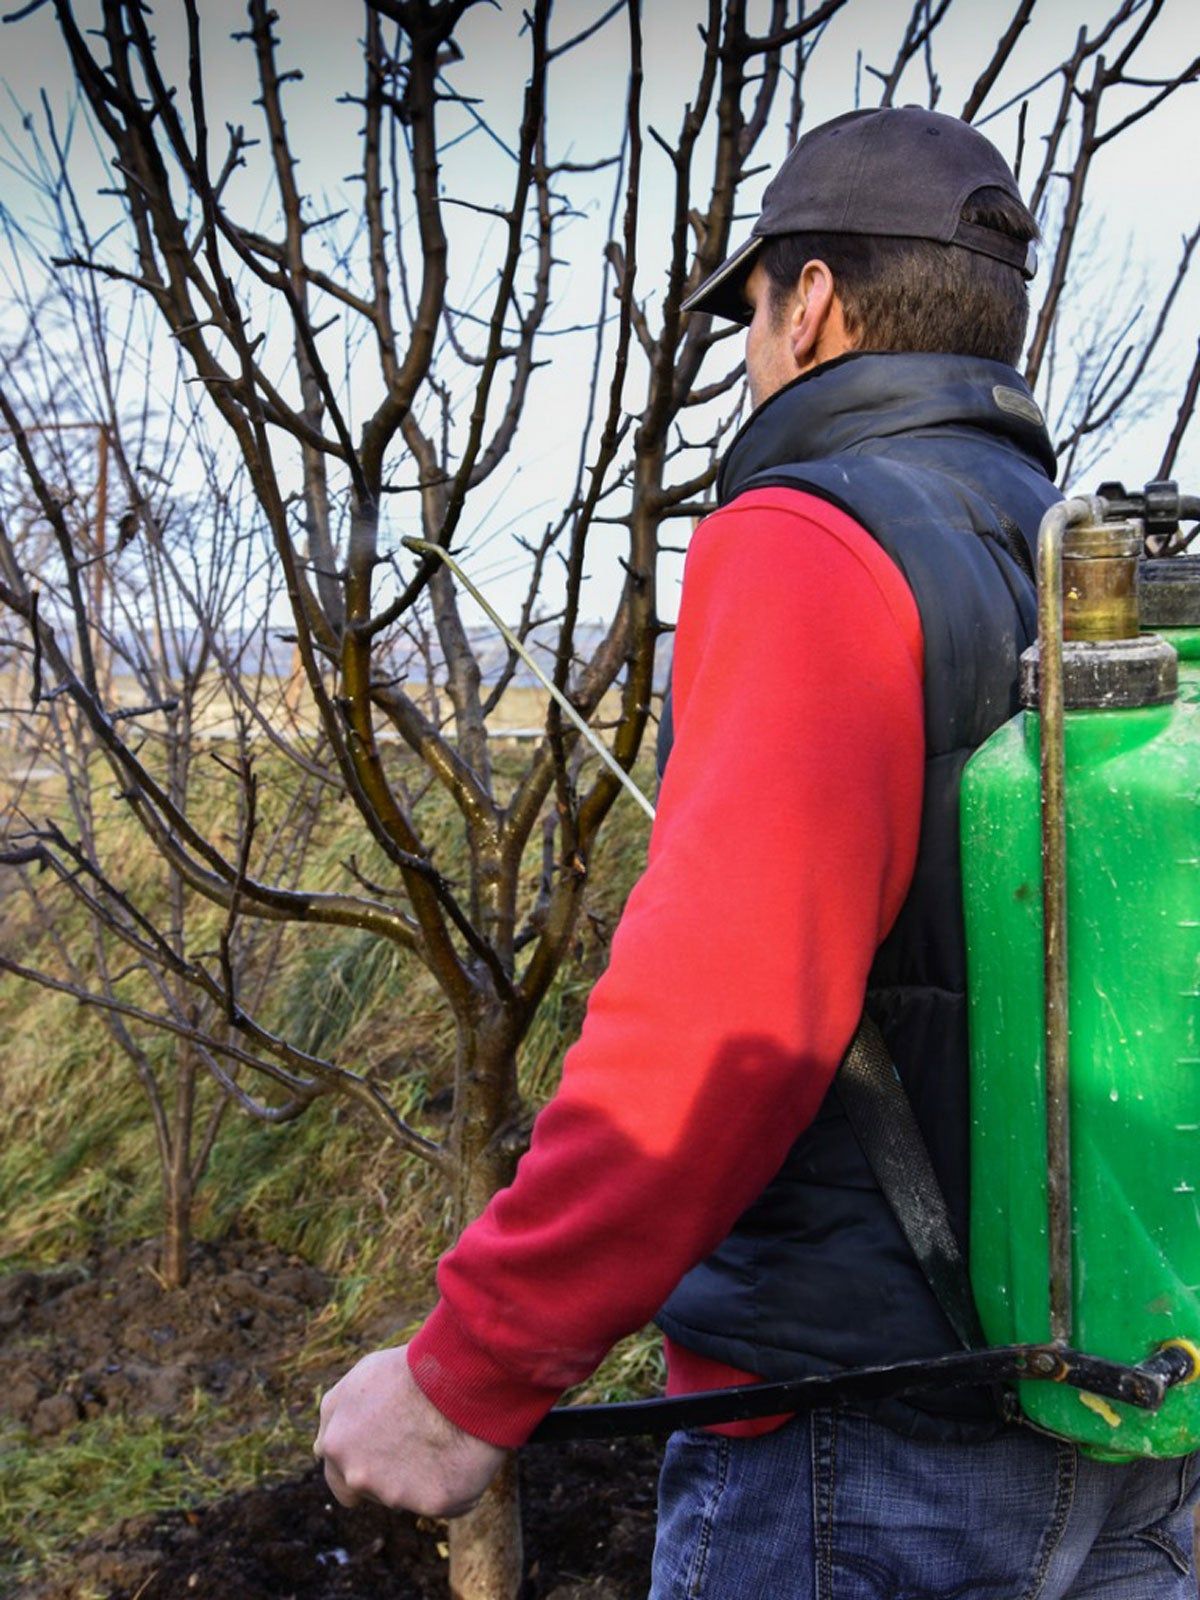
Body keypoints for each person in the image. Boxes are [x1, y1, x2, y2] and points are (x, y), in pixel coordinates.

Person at [314, 107, 1200, 1596]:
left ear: (812, 304)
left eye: (753, 315)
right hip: (1120, 1419)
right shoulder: (1067, 554)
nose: (750, 354)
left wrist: (471, 1368)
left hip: (870, 1456)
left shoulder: (812, 538)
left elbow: (725, 1024)